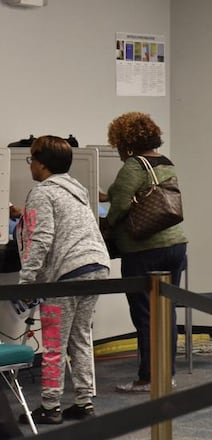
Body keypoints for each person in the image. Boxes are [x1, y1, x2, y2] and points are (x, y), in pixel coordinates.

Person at [14, 135, 110, 424]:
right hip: (96, 266)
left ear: (41, 165)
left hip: (67, 272)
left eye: (32, 160)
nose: (31, 166)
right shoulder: (76, 189)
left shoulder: (42, 192)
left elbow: (41, 239)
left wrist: (27, 282)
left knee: (55, 341)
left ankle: (51, 406)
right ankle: (84, 401)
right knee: (81, 337)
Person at [104, 112, 187, 393]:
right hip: (175, 245)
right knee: (166, 311)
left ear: (124, 140)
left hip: (144, 250)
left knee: (144, 313)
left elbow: (120, 207)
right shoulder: (165, 161)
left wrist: (107, 221)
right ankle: (167, 375)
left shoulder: (133, 165)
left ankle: (149, 378)